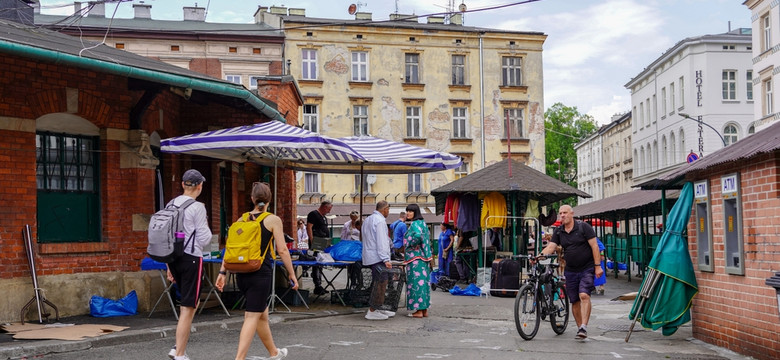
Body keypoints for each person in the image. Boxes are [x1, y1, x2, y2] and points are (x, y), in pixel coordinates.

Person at [215, 182, 297, 360]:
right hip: (261, 273)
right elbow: (282, 250)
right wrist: (292, 274)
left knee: (261, 315)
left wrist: (222, 272)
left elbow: (230, 250)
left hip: (241, 274)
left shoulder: (240, 220)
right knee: (252, 316)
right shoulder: (273, 220)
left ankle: (274, 353)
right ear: (269, 200)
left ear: (252, 199)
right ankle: (239, 358)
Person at [166, 169, 213, 360]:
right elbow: (204, 238)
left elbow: (166, 236)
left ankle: (178, 345)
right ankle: (180, 353)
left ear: (183, 184)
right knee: (188, 306)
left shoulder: (170, 204)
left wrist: (168, 265)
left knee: (190, 303)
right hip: (192, 257)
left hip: (173, 257)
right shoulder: (197, 207)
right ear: (199, 186)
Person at [537, 205, 603, 340]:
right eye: (560, 213)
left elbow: (594, 246)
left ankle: (584, 326)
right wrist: (540, 256)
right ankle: (580, 329)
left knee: (584, 295)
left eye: (565, 213)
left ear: (572, 214)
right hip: (571, 270)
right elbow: (551, 247)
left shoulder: (584, 227)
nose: (562, 215)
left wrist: (597, 266)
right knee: (574, 300)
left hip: (587, 267)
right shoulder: (559, 231)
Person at [361, 200, 395, 320]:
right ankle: (373, 310)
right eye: (388, 210)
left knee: (379, 282)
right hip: (378, 257)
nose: (388, 212)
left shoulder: (368, 220)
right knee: (381, 284)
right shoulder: (380, 221)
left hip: (370, 255)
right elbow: (381, 241)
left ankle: (378, 307)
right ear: (385, 209)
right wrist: (386, 259)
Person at [403, 203, 433, 318]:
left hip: (415, 258)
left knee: (415, 283)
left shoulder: (415, 224)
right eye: (407, 211)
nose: (408, 213)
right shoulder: (423, 223)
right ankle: (424, 310)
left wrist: (410, 245)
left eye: (410, 211)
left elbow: (418, 236)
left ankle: (418, 311)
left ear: (415, 212)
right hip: (424, 258)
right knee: (424, 283)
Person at [306, 200, 332, 295]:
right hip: (316, 243)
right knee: (317, 263)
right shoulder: (313, 214)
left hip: (323, 243)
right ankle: (317, 284)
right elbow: (309, 227)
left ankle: (320, 284)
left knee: (321, 263)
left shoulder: (324, 217)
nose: (329, 211)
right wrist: (312, 240)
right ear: (324, 207)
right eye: (329, 209)